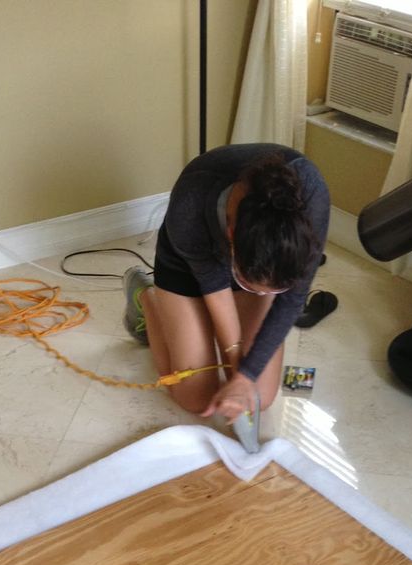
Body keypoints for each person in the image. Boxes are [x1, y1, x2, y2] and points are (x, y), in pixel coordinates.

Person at [122, 143, 330, 423]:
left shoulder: (312, 196)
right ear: (230, 236)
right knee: (194, 399)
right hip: (184, 266)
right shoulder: (191, 203)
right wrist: (237, 365)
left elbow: (292, 299)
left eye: (271, 290)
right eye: (254, 287)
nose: (264, 295)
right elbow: (216, 293)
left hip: (255, 259)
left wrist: (245, 377)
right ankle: (147, 297)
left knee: (260, 398)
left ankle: (234, 303)